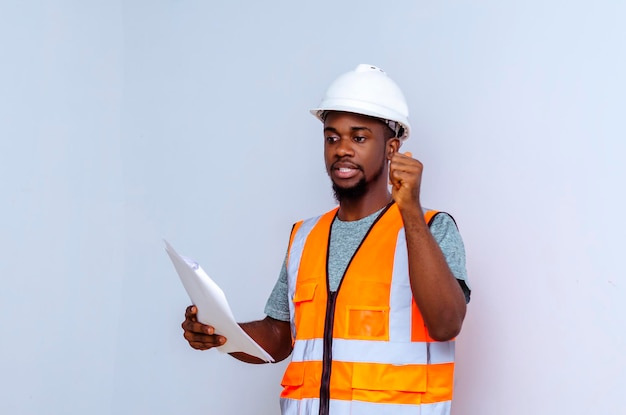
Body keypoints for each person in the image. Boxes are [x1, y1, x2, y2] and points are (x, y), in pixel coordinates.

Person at [182, 64, 471, 415]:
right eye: (332, 137)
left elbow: (446, 323)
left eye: (359, 137)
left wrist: (409, 209)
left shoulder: (430, 228)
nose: (342, 149)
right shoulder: (306, 236)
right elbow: (279, 336)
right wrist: (220, 333)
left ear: (392, 148)